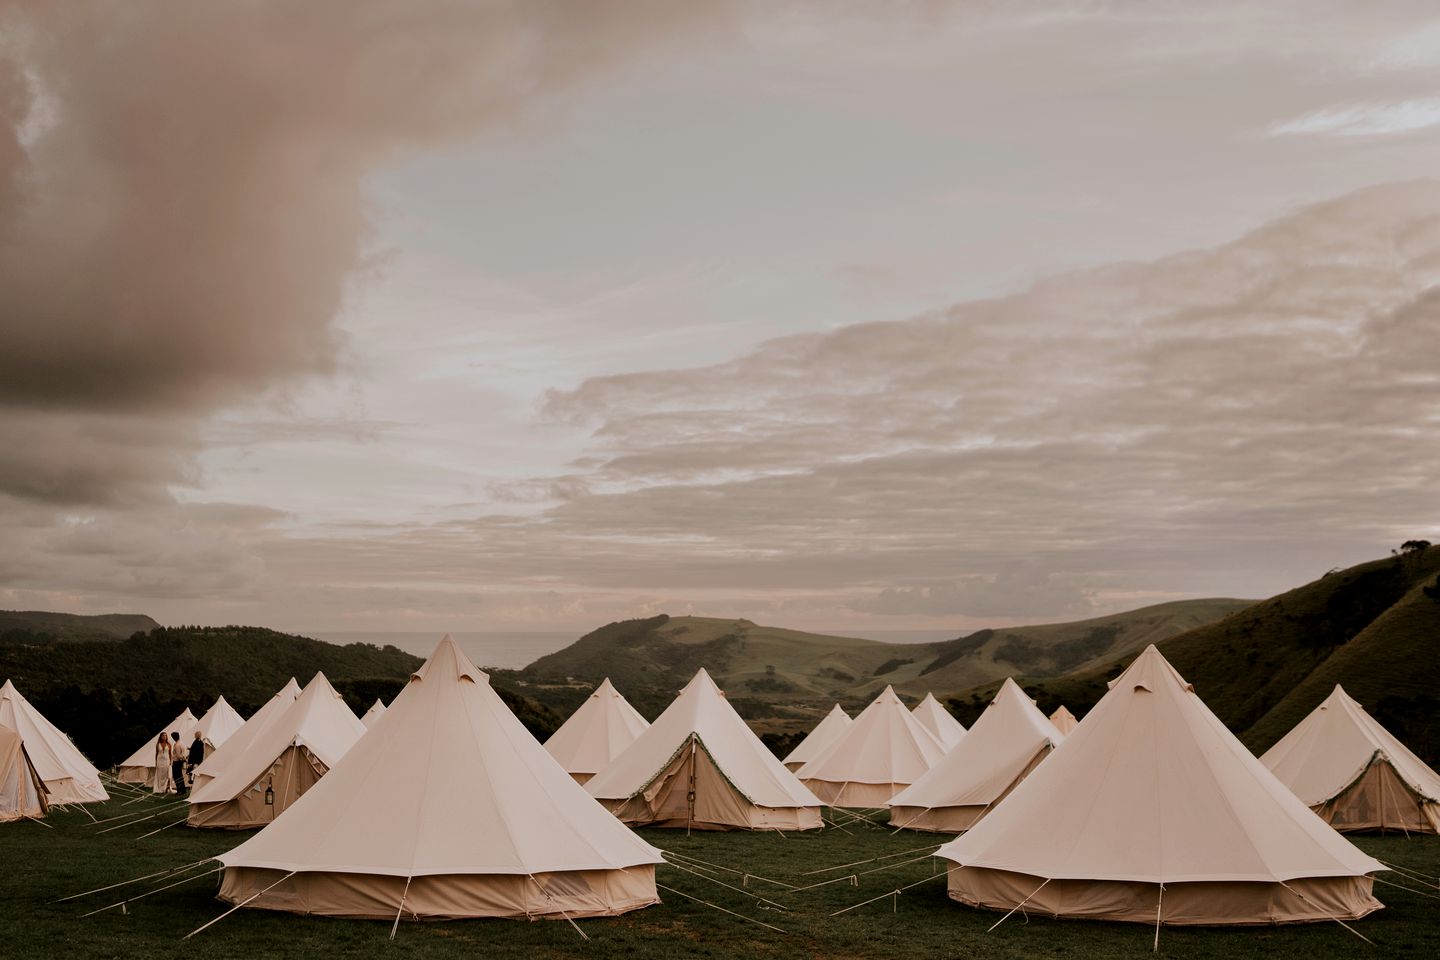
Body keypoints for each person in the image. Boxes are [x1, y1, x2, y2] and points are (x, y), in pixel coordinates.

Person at [169, 732, 188, 797]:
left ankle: (180, 790)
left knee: (176, 776)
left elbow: (178, 755)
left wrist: (182, 758)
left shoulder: (177, 745)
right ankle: (183, 790)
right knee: (180, 776)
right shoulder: (182, 743)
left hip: (177, 761)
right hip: (180, 761)